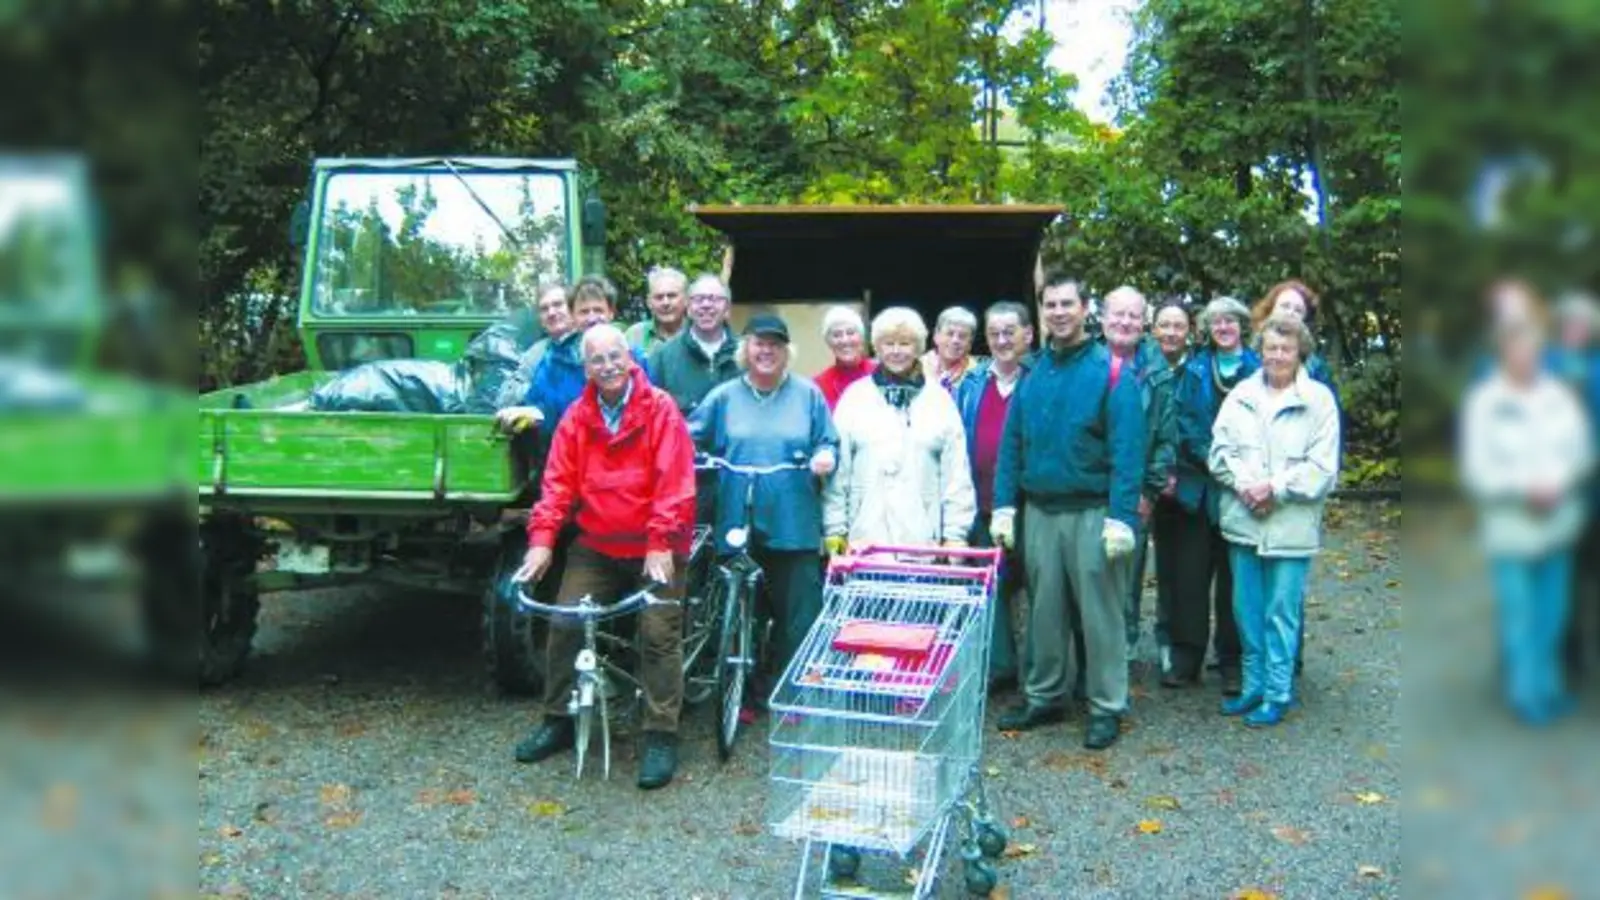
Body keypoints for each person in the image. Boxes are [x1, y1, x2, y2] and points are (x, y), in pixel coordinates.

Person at [511, 324, 697, 787]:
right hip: (598, 544)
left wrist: (659, 543)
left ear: (630, 358)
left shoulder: (660, 410)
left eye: (616, 356)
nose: (609, 366)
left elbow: (673, 483)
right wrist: (541, 541)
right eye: (598, 360)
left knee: (657, 632)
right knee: (565, 620)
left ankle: (660, 733)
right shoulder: (577, 417)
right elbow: (557, 484)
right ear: (587, 368)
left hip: (656, 543)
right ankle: (558, 718)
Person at [990, 273, 1145, 751]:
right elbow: (1012, 446)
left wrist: (1122, 518)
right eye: (1050, 304)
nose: (1058, 312)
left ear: (1085, 310)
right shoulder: (1033, 373)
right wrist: (1003, 507)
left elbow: (1128, 451)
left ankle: (1106, 705)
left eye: (1066, 304)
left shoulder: (1113, 372)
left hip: (1092, 512)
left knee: (1101, 615)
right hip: (1040, 512)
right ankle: (1045, 695)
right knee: (1045, 612)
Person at [1208, 313, 1341, 727]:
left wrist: (1274, 488)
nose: (1277, 355)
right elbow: (1219, 452)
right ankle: (1253, 686)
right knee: (1245, 610)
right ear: (1259, 351)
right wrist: (1247, 485)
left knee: (1280, 612)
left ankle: (1278, 692)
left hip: (1290, 524)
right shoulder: (1241, 395)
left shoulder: (1318, 400)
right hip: (1244, 519)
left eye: (1286, 348)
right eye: (1270, 348)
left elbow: (1322, 470)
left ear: (1300, 351)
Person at [1462, 310, 1593, 725]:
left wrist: (1556, 482)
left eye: (1533, 347)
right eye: (1517, 347)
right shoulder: (1486, 402)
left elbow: (1582, 452)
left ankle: (1550, 688)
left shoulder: (1558, 396)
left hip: (1557, 523)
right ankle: (1526, 695)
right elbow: (1477, 469)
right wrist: (1525, 487)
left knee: (1552, 615)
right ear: (1504, 350)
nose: (1526, 355)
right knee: (1520, 615)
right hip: (1511, 527)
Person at [689, 314, 839, 675]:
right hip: (738, 516)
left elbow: (828, 440)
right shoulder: (723, 396)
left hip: (793, 517)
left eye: (775, 344)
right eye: (759, 343)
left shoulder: (807, 394)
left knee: (798, 608)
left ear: (787, 352)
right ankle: (743, 691)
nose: (766, 351)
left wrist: (824, 456)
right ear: (745, 349)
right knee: (741, 607)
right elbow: (687, 437)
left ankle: (798, 685)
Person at [824, 306, 975, 550]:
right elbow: (839, 472)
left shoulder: (939, 400)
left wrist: (955, 535)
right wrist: (834, 528)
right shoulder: (855, 398)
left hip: (923, 543)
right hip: (864, 541)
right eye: (888, 343)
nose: (896, 351)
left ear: (918, 347)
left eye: (904, 343)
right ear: (876, 346)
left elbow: (956, 472)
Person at [1169, 296, 1259, 695]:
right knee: (1189, 579)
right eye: (1216, 322)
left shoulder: (1259, 369)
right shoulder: (1194, 369)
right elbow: (1184, 421)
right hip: (1198, 488)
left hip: (1245, 491)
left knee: (1234, 581)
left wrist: (1239, 471)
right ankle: (1186, 659)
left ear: (1242, 326)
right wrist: (1214, 460)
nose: (1223, 328)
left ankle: (1231, 662)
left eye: (1230, 321)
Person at [954, 301, 1034, 691]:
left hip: (1032, 508)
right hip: (982, 506)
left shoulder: (1039, 379)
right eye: (994, 333)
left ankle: (1042, 674)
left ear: (1028, 335)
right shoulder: (970, 386)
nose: (1002, 340)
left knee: (1041, 589)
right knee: (992, 588)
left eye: (1010, 332)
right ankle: (1001, 668)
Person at [1101, 287, 1178, 664]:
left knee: (1127, 578)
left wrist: (1148, 492)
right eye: (1118, 314)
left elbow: (1166, 438)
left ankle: (1124, 649)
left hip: (1134, 494)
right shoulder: (1087, 362)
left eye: (1133, 316)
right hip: (1089, 490)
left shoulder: (1157, 371)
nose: (1125, 322)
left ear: (1144, 322)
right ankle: (1089, 654)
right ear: (1101, 319)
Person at [496, 275, 645, 441]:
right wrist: (531, 413)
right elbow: (541, 406)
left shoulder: (634, 359)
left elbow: (647, 410)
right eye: (584, 312)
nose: (592, 318)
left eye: (598, 310)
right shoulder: (554, 361)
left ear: (611, 313)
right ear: (573, 316)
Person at [1549, 291, 1600, 682]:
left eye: (1583, 324)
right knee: (1556, 576)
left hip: (1593, 493)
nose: (1576, 331)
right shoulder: (1544, 367)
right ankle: (1562, 653)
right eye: (1569, 324)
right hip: (1551, 492)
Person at [1148, 298, 1194, 678]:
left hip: (1183, 486)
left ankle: (1170, 641)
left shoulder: (1195, 372)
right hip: (1145, 482)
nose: (1171, 332)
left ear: (1189, 332)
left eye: (1178, 326)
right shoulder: (1140, 366)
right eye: (1164, 325)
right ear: (1153, 329)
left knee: (1174, 568)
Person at [648, 273, 740, 416]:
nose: (706, 305)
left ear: (727, 308)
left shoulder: (745, 353)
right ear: (688, 307)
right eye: (698, 299)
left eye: (714, 299)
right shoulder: (663, 357)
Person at [1249, 279, 1341, 407]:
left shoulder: (1316, 370)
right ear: (1270, 311)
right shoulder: (1249, 360)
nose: (1290, 313)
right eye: (1285, 306)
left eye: (1298, 310)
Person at [813, 305, 876, 411]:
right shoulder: (818, 385)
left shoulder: (881, 373)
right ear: (828, 342)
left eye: (850, 333)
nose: (845, 340)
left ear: (861, 337)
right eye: (837, 335)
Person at [626, 267, 689, 355]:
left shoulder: (700, 333)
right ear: (649, 302)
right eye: (659, 297)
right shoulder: (634, 335)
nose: (665, 303)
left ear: (686, 299)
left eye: (672, 296)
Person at [921, 306, 982, 392]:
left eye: (962, 336)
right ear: (936, 336)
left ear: (970, 344)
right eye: (950, 334)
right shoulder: (917, 367)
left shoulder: (978, 376)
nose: (955, 340)